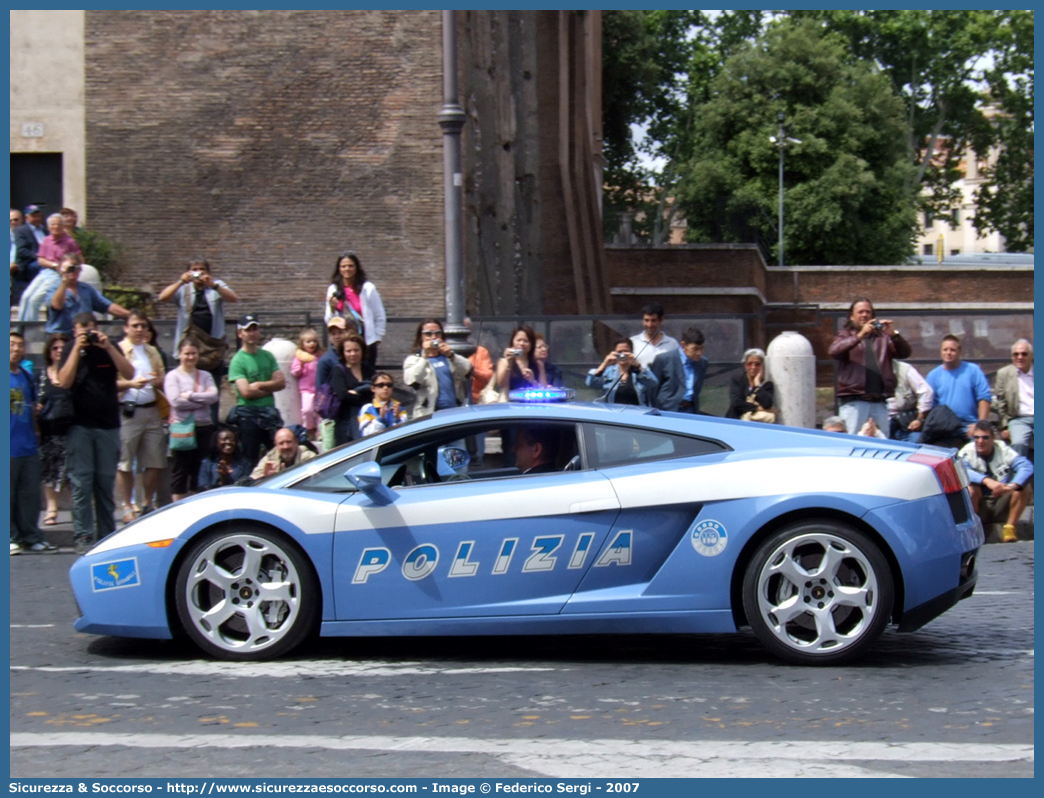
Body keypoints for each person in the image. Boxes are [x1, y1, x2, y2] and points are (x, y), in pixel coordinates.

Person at [56, 312, 136, 553]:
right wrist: (76, 350)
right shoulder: (71, 348)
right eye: (82, 331)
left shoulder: (107, 346)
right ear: (74, 331)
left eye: (90, 329)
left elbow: (129, 374)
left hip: (108, 424)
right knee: (81, 483)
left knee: (104, 482)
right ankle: (83, 534)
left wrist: (109, 348)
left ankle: (106, 534)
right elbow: (64, 380)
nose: (87, 335)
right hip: (80, 426)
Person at [828, 297, 912, 436]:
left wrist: (894, 335)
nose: (864, 315)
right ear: (851, 316)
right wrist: (860, 336)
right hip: (854, 401)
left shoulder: (883, 338)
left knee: (882, 442)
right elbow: (834, 351)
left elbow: (904, 353)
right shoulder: (845, 335)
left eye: (868, 312)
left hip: (879, 401)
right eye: (860, 312)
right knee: (852, 441)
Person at [115, 311, 168, 521]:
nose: (140, 330)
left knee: (156, 461)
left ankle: (147, 503)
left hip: (152, 409)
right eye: (135, 325)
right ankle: (127, 505)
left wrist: (156, 381)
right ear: (126, 328)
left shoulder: (152, 351)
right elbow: (110, 383)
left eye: (143, 326)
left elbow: (163, 378)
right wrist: (130, 383)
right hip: (128, 411)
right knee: (125, 462)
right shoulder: (119, 350)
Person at [10, 331, 57, 553]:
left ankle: (31, 536)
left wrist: (36, 432)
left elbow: (31, 409)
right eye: (11, 345)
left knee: (29, 495)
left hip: (27, 444)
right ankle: (11, 537)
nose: (16, 349)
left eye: (20, 345)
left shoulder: (26, 376)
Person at [958, 421, 1033, 544]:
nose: (980, 441)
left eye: (985, 437)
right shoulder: (967, 451)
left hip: (1000, 500)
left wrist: (1010, 487)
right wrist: (986, 481)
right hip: (980, 503)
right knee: (970, 489)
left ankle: (1009, 528)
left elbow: (1026, 466)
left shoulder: (1002, 448)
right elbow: (961, 470)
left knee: (1024, 487)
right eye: (976, 437)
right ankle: (973, 530)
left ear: (993, 438)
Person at [164, 337, 219, 501]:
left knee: (200, 469)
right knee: (180, 470)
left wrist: (190, 395)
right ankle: (177, 505)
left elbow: (214, 396)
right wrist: (201, 400)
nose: (190, 357)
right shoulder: (172, 376)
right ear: (179, 354)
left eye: (193, 353)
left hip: (204, 427)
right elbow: (175, 401)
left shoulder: (205, 375)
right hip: (183, 428)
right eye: (187, 353)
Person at [228, 314, 286, 464]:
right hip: (248, 414)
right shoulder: (237, 360)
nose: (252, 333)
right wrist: (270, 387)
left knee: (277, 455)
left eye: (255, 329)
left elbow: (281, 383)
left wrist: (259, 385)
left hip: (269, 413)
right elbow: (246, 392)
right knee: (249, 458)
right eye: (248, 330)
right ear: (240, 333)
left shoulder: (268, 356)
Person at [324, 252, 386, 367]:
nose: (347, 269)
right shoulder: (333, 289)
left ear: (356, 268)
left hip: (365, 341)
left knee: (366, 374)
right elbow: (329, 320)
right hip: (343, 342)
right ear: (339, 269)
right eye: (343, 266)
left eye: (350, 266)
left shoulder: (367, 288)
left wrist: (376, 338)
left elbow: (380, 315)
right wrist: (332, 309)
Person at [36, 332, 72, 526]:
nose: (59, 351)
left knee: (69, 473)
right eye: (55, 348)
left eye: (63, 348)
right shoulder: (43, 374)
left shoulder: (74, 371)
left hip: (70, 430)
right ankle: (52, 508)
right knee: (49, 472)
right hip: (48, 430)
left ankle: (77, 510)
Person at [18, 212, 82, 322]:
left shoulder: (69, 242)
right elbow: (40, 259)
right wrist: (55, 264)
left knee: (35, 300)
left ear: (63, 226)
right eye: (53, 224)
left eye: (58, 224)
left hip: (58, 275)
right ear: (48, 227)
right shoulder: (46, 240)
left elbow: (80, 259)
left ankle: (30, 329)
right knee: (26, 297)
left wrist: (70, 268)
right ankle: (19, 328)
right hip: (45, 272)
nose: (56, 227)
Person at [45, 252, 130, 335]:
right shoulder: (53, 288)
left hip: (83, 335)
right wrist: (64, 282)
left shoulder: (87, 289)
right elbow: (57, 305)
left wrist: (131, 316)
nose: (72, 271)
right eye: (70, 268)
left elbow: (107, 306)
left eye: (75, 267)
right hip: (61, 337)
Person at [403, 319, 473, 419]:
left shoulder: (449, 358)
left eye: (437, 333)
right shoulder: (414, 359)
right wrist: (425, 356)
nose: (433, 337)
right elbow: (412, 380)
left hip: (453, 411)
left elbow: (467, 369)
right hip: (429, 413)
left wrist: (451, 355)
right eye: (428, 334)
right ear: (421, 337)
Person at [925, 335, 991, 437]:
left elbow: (984, 397)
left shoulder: (973, 370)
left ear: (959, 352)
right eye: (945, 350)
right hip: (943, 428)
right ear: (940, 352)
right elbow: (929, 405)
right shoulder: (933, 376)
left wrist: (980, 426)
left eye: (952, 350)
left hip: (970, 426)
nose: (948, 353)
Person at [329, 333, 375, 444]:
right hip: (346, 423)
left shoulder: (368, 370)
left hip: (367, 420)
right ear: (343, 353)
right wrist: (364, 393)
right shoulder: (338, 371)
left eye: (356, 350)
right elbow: (342, 395)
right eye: (348, 351)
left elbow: (374, 392)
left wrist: (355, 392)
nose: (353, 354)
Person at [650, 326, 709, 413]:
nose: (699, 353)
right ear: (684, 345)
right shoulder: (664, 359)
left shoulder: (702, 362)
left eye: (701, 348)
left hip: (690, 409)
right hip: (667, 409)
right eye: (695, 349)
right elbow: (653, 389)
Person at [992, 339, 1034, 458]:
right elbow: (1001, 403)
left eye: (1024, 354)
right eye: (1016, 354)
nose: (1020, 357)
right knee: (1018, 443)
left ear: (1031, 356)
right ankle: (1020, 474)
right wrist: (1004, 426)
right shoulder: (1004, 374)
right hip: (1018, 419)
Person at [586, 338, 658, 406]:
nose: (622, 355)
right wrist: (604, 364)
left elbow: (653, 383)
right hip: (613, 413)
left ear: (631, 353)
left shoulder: (639, 371)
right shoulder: (609, 372)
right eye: (619, 352)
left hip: (637, 412)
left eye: (626, 351)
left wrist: (637, 366)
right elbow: (592, 384)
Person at [888, 360, 934, 443]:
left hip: (906, 423)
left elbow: (926, 391)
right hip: (882, 423)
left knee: (917, 444)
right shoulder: (870, 370)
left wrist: (920, 419)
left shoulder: (904, 369)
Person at [290, 328, 323, 438]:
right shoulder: (299, 358)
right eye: (308, 341)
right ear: (302, 344)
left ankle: (320, 432)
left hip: (319, 389)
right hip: (306, 389)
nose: (312, 344)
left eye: (314, 341)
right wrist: (302, 365)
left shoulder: (319, 357)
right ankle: (309, 429)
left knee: (320, 412)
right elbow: (295, 372)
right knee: (307, 410)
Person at [726, 348, 775, 422]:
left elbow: (767, 404)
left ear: (762, 366)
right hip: (736, 421)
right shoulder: (737, 380)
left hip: (758, 423)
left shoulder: (767, 385)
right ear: (745, 365)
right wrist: (758, 408)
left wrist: (757, 384)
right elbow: (737, 403)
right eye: (749, 364)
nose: (753, 367)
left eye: (757, 364)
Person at [197, 425, 253, 491]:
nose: (228, 442)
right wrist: (221, 479)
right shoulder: (207, 463)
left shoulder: (244, 464)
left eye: (232, 440)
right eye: (224, 439)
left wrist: (226, 477)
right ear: (216, 443)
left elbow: (247, 486)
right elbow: (202, 487)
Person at [251, 426, 318, 478]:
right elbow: (252, 482)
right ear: (275, 445)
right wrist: (265, 477)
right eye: (281, 443)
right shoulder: (269, 459)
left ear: (296, 442)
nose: (285, 447)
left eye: (289, 442)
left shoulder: (308, 457)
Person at [12, 204, 45, 307]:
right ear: (27, 217)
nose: (36, 218)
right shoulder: (21, 231)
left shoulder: (45, 230)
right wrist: (39, 256)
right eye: (33, 216)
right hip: (30, 264)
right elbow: (22, 251)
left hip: (46, 262)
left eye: (38, 215)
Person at [629, 302, 679, 368]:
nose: (649, 325)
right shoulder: (633, 341)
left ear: (661, 320)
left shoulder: (672, 344)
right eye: (646, 320)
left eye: (653, 320)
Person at [358, 372, 408, 437]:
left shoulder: (399, 408)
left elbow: (404, 434)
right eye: (381, 385)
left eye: (389, 385)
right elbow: (367, 435)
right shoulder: (367, 409)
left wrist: (397, 419)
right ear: (373, 388)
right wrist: (380, 419)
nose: (385, 388)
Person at [494, 325, 540, 394]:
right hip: (509, 402)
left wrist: (532, 381)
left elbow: (541, 389)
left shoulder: (535, 363)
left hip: (529, 401)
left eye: (526, 341)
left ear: (531, 344)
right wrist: (509, 363)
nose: (521, 344)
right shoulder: (504, 362)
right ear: (513, 342)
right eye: (518, 340)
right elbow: (501, 384)